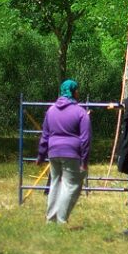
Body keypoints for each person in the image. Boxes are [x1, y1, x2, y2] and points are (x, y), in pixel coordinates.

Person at [37, 79, 91, 224]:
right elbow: (85, 139)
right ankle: (61, 220)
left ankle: (51, 219)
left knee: (55, 183)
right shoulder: (81, 112)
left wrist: (41, 155)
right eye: (77, 90)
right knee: (71, 185)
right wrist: (84, 161)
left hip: (53, 152)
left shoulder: (51, 110)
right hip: (72, 153)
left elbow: (45, 135)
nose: (78, 92)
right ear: (73, 92)